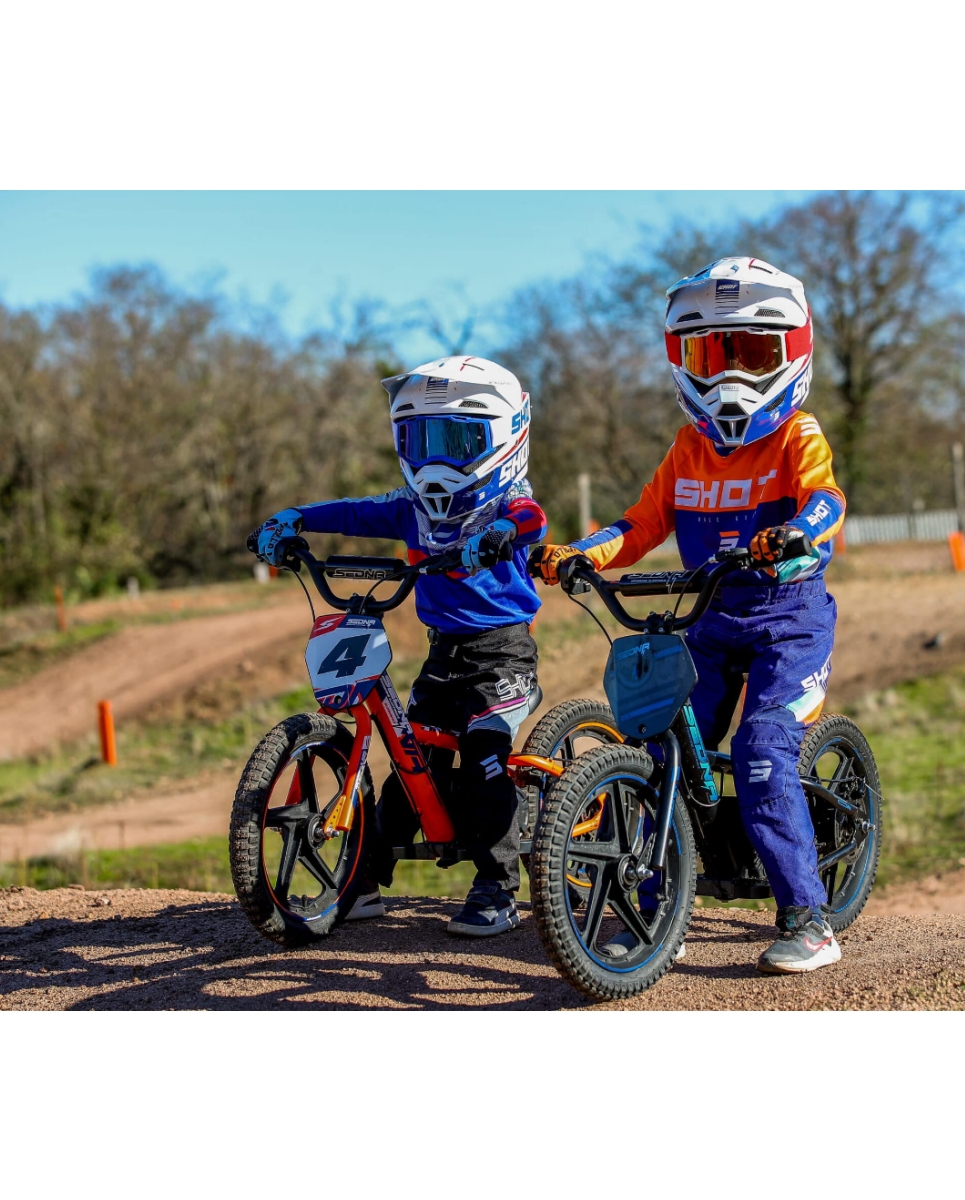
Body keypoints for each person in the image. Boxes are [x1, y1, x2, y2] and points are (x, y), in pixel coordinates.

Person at [533, 257, 846, 973]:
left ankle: (809, 919)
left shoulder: (796, 435)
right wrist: (577, 555)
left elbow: (826, 500)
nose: (731, 374)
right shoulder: (688, 449)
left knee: (762, 750)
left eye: (753, 352)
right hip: (708, 618)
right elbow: (639, 525)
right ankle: (652, 910)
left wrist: (798, 533)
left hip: (789, 620)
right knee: (662, 753)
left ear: (792, 352)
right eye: (711, 354)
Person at [254, 356, 547, 937]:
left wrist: (503, 534)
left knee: (485, 756)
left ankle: (498, 887)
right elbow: (356, 511)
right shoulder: (412, 510)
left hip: (504, 654)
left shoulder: (507, 504)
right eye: (421, 440)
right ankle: (363, 879)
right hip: (444, 655)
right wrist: (296, 518)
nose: (436, 460)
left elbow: (530, 519)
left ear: (503, 436)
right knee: (410, 762)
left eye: (456, 441)